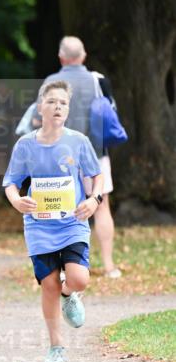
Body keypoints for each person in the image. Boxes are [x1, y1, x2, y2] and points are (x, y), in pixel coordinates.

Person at [3, 80, 103, 362]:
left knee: (79, 279)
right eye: (52, 102)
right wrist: (16, 200)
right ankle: (56, 348)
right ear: (39, 107)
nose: (58, 107)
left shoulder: (78, 141)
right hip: (39, 225)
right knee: (48, 284)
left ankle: (69, 294)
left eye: (63, 103)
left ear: (68, 110)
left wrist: (94, 200)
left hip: (72, 222)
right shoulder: (26, 145)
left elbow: (97, 176)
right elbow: (11, 182)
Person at [43, 36, 122, 278]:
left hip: (60, 157)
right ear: (83, 56)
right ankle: (108, 266)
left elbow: (41, 119)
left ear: (61, 57)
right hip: (95, 155)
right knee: (101, 206)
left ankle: (65, 267)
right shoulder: (98, 81)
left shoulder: (50, 83)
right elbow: (111, 112)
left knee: (62, 209)